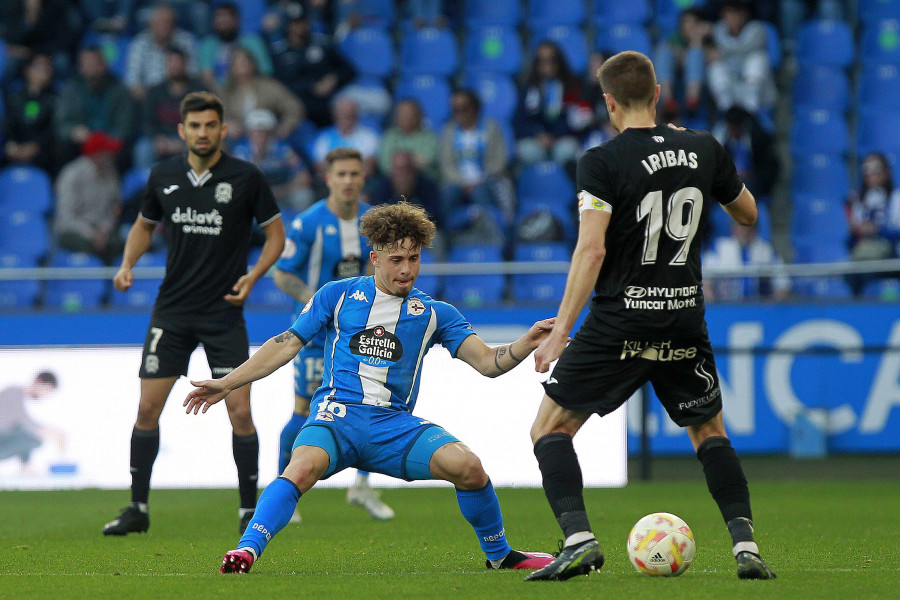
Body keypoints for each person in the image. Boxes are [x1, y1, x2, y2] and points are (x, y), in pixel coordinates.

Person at [183, 201, 557, 575]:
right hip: (336, 416)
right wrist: (228, 383)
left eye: (414, 258)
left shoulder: (436, 313)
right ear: (375, 257)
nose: (407, 269)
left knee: (469, 467)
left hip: (393, 427)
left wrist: (527, 341)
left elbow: (488, 363)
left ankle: (500, 556)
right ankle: (245, 551)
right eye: (396, 259)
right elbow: (286, 343)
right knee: (300, 467)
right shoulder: (338, 295)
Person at [523, 51, 777, 582]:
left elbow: (590, 252)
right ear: (658, 94)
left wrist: (561, 333)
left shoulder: (600, 160)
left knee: (550, 427)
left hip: (622, 320)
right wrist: (696, 160)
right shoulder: (704, 147)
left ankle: (578, 541)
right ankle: (746, 547)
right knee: (709, 431)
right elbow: (749, 214)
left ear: (609, 101)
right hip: (684, 315)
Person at [101, 91, 286, 536]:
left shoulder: (246, 177)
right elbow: (144, 225)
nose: (203, 133)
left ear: (223, 129)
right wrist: (127, 263)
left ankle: (248, 512)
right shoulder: (163, 175)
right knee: (147, 407)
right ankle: (138, 509)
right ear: (182, 131)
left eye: (210, 125)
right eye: (194, 126)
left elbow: (275, 236)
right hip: (173, 312)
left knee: (240, 411)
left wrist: (254, 275)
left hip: (224, 313)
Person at [271, 147, 393, 522]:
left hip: (360, 335)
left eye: (355, 174)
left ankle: (361, 485)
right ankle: (282, 490)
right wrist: (319, 303)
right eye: (341, 174)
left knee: (371, 404)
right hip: (315, 335)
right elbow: (281, 274)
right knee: (303, 410)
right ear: (328, 178)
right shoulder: (308, 223)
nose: (348, 181)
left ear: (362, 178)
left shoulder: (374, 222)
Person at [267, 1, 356, 128]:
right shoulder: (279, 52)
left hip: (326, 106)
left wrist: (333, 79)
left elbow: (349, 70)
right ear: (288, 25)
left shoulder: (322, 44)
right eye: (295, 23)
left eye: (303, 21)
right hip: (297, 108)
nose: (300, 26)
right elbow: (279, 83)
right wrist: (311, 87)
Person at [513, 41, 592, 167]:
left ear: (559, 62)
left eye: (551, 60)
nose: (546, 65)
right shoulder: (529, 88)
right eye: (541, 60)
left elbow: (579, 120)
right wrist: (537, 134)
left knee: (566, 150)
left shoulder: (573, 87)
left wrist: (555, 136)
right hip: (536, 139)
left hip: (563, 138)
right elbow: (519, 120)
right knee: (527, 151)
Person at [53, 132, 126, 265]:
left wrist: (103, 231)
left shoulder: (111, 173)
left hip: (102, 230)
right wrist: (93, 235)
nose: (112, 156)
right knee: (88, 248)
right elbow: (67, 218)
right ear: (97, 155)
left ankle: (114, 284)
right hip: (75, 230)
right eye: (108, 152)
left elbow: (113, 210)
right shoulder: (72, 175)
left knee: (120, 245)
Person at [231, 108, 314, 212]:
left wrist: (280, 191)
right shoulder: (242, 152)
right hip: (255, 195)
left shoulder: (283, 150)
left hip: (282, 192)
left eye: (264, 132)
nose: (261, 137)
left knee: (303, 196)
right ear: (249, 133)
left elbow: (304, 177)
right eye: (256, 132)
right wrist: (256, 158)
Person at [219, 46, 305, 143]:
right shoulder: (226, 91)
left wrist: (287, 126)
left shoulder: (268, 86)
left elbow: (294, 106)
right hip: (239, 141)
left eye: (244, 61)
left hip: (270, 139)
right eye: (236, 62)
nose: (241, 65)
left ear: (253, 64)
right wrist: (227, 124)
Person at [845, 153, 900, 297]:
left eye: (876, 170)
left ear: (886, 172)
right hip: (868, 255)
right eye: (867, 171)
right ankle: (858, 311)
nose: (872, 175)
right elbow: (850, 243)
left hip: (892, 254)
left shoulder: (896, 198)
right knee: (852, 273)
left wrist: (877, 230)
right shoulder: (859, 202)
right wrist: (856, 231)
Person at [124, 2, 199, 101]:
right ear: (151, 24)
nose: (164, 27)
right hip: (148, 97)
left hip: (179, 95)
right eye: (160, 22)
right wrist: (149, 99)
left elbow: (193, 73)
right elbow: (132, 80)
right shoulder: (139, 43)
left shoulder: (185, 41)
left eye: (168, 23)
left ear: (174, 25)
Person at [703, 220, 791, 302]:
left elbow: (783, 285)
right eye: (740, 226)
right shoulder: (719, 249)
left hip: (759, 308)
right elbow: (704, 283)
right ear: (733, 228)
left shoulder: (767, 251)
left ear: (755, 229)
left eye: (748, 226)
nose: (744, 231)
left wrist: (771, 305)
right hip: (727, 307)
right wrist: (716, 305)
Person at [2, 53, 58, 175]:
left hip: (43, 151)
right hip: (17, 149)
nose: (44, 71)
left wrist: (35, 146)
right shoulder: (15, 98)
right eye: (39, 67)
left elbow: (54, 129)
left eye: (47, 67)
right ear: (27, 71)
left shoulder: (56, 99)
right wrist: (11, 144)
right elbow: (9, 126)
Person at [198, 1, 273, 89]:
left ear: (237, 20)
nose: (222, 22)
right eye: (219, 18)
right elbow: (206, 75)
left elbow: (265, 72)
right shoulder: (208, 44)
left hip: (250, 90)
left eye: (226, 18)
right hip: (219, 93)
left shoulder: (252, 42)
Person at [0, 371, 60, 474]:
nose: (46, 395)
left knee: (25, 433)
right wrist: (48, 431)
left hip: (5, 434)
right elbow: (23, 419)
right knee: (32, 437)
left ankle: (25, 465)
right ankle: (25, 465)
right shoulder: (14, 392)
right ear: (39, 382)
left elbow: (22, 424)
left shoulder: (19, 396)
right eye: (47, 390)